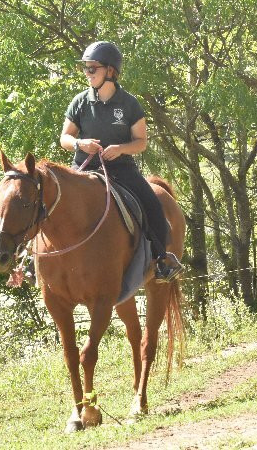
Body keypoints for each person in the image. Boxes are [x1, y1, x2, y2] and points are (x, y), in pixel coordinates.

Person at [60, 41, 184, 281]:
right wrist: (79, 144)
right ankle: (32, 260)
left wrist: (120, 149)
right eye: (85, 68)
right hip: (84, 168)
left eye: (92, 68)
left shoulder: (130, 104)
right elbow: (64, 137)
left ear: (110, 70)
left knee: (153, 204)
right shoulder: (79, 101)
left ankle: (162, 259)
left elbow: (141, 142)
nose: (87, 73)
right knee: (51, 197)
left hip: (121, 169)